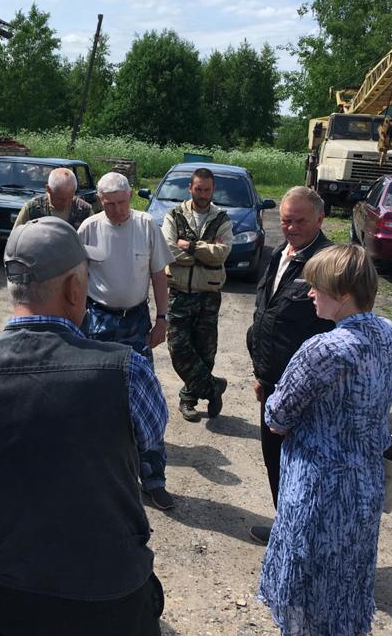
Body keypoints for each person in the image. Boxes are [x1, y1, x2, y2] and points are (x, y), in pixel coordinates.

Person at [0, 216, 168, 636]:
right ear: (73, 289)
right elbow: (151, 437)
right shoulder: (126, 371)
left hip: (6, 589)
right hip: (106, 591)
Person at [258, 244, 392, 636]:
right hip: (365, 487)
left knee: (307, 592)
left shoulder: (326, 349)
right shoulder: (388, 334)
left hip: (320, 492)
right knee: (346, 584)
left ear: (343, 294)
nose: (310, 294)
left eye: (316, 287)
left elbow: (277, 416)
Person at [78, 172, 177, 510]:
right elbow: (77, 278)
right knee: (96, 400)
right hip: (97, 321)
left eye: (122, 203)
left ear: (130, 196)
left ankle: (153, 479)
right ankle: (100, 478)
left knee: (145, 398)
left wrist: (162, 319)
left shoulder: (146, 225)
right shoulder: (88, 228)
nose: (117, 210)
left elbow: (159, 275)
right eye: (110, 204)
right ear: (100, 201)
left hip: (136, 322)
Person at [245, 186, 334, 544]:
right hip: (272, 385)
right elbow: (265, 313)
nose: (291, 228)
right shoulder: (280, 253)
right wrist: (260, 373)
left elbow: (331, 331)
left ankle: (302, 537)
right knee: (275, 460)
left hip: (303, 393)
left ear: (320, 219)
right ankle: (286, 528)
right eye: (285, 220)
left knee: (302, 468)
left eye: (300, 221)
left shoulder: (328, 264)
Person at [161, 167, 233, 422]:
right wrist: (205, 253)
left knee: (205, 350)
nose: (203, 194)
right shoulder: (174, 215)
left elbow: (222, 254)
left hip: (208, 294)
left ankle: (188, 399)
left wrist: (190, 246)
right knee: (178, 348)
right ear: (190, 188)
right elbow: (168, 249)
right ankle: (213, 388)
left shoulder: (221, 219)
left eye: (207, 190)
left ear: (213, 190)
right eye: (198, 189)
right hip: (179, 293)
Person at [12, 166, 95, 230]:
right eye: (61, 199)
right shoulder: (31, 210)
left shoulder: (85, 211)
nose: (66, 204)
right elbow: (15, 239)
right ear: (48, 189)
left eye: (70, 198)